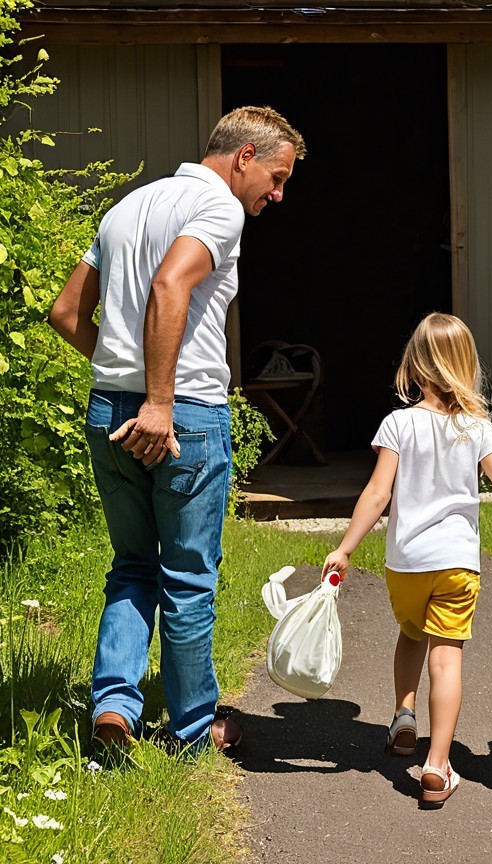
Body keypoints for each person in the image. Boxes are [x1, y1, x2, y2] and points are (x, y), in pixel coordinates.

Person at [49, 106, 306, 753]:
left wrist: (124, 378)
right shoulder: (216, 209)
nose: (277, 194)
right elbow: (171, 285)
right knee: (188, 579)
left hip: (109, 410)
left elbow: (65, 312)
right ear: (244, 155)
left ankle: (113, 707)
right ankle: (193, 734)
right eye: (276, 177)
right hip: (182, 417)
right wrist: (158, 403)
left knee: (132, 566)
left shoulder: (125, 209)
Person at [322, 312, 492, 809]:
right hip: (456, 563)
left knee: (410, 634)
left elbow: (378, 493)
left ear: (416, 365)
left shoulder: (397, 423)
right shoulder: (476, 426)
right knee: (445, 657)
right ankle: (436, 764)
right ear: (466, 366)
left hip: (406, 562)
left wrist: (344, 547)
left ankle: (404, 714)